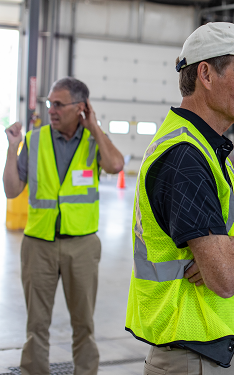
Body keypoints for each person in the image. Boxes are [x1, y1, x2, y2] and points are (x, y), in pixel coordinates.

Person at [125, 22, 234, 375]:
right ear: (206, 75)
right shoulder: (185, 158)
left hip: (209, 354)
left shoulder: (211, 154)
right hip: (190, 357)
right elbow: (225, 278)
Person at [3, 77, 125, 375]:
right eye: (49, 103)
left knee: (83, 322)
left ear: (80, 108)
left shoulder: (95, 141)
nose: (51, 110)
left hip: (81, 245)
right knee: (37, 324)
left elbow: (116, 165)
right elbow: (11, 189)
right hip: (38, 244)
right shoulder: (34, 140)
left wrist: (94, 126)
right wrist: (12, 148)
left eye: (58, 104)